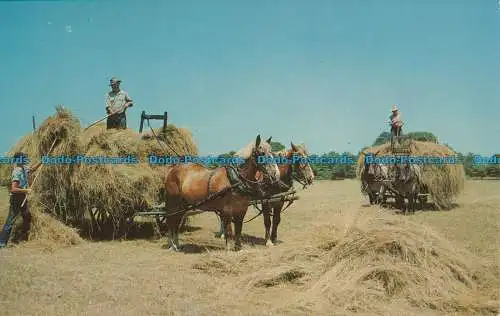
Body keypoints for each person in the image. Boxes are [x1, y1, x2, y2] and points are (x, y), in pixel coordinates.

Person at [0, 152, 42, 248]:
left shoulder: (24, 168)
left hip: (23, 197)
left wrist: (42, 161)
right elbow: (13, 189)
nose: (25, 159)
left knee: (27, 216)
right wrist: (26, 190)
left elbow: (32, 169)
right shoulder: (17, 171)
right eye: (23, 158)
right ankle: (2, 242)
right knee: (10, 221)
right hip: (16, 199)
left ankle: (22, 237)